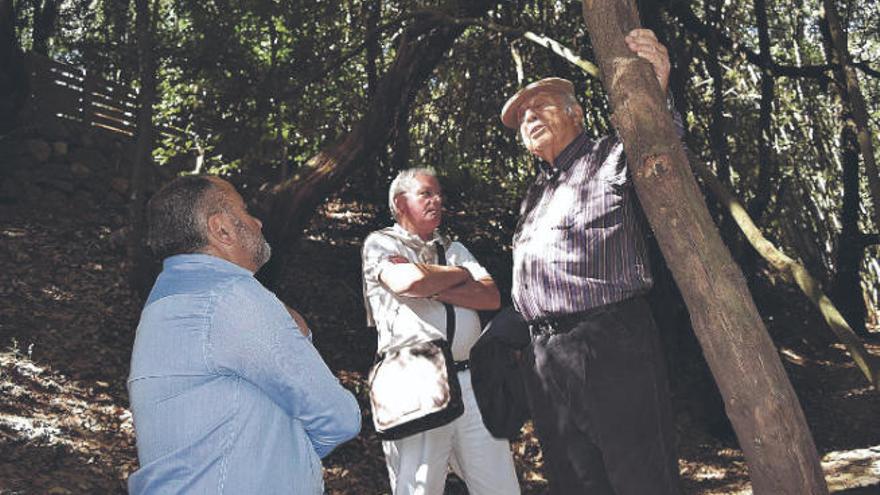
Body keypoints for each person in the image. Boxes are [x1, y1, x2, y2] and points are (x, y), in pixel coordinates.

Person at [499, 29, 683, 494]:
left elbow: (660, 146)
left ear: (575, 112)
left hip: (610, 345)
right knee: (574, 483)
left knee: (640, 478)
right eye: (522, 116)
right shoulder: (535, 193)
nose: (529, 117)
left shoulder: (606, 157)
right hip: (545, 359)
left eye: (540, 105)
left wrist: (656, 89)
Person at [127, 175, 361, 494]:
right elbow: (340, 416)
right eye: (245, 209)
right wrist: (290, 456)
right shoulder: (231, 296)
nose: (258, 221)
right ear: (221, 228)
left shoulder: (163, 304)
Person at [361, 167, 520, 495]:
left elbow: (489, 296)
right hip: (416, 381)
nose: (437, 201)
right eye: (426, 194)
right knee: (419, 487)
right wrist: (461, 276)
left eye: (439, 195)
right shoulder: (380, 243)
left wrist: (434, 283)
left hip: (473, 382)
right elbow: (408, 281)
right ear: (400, 202)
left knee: (500, 487)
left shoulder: (454, 248)